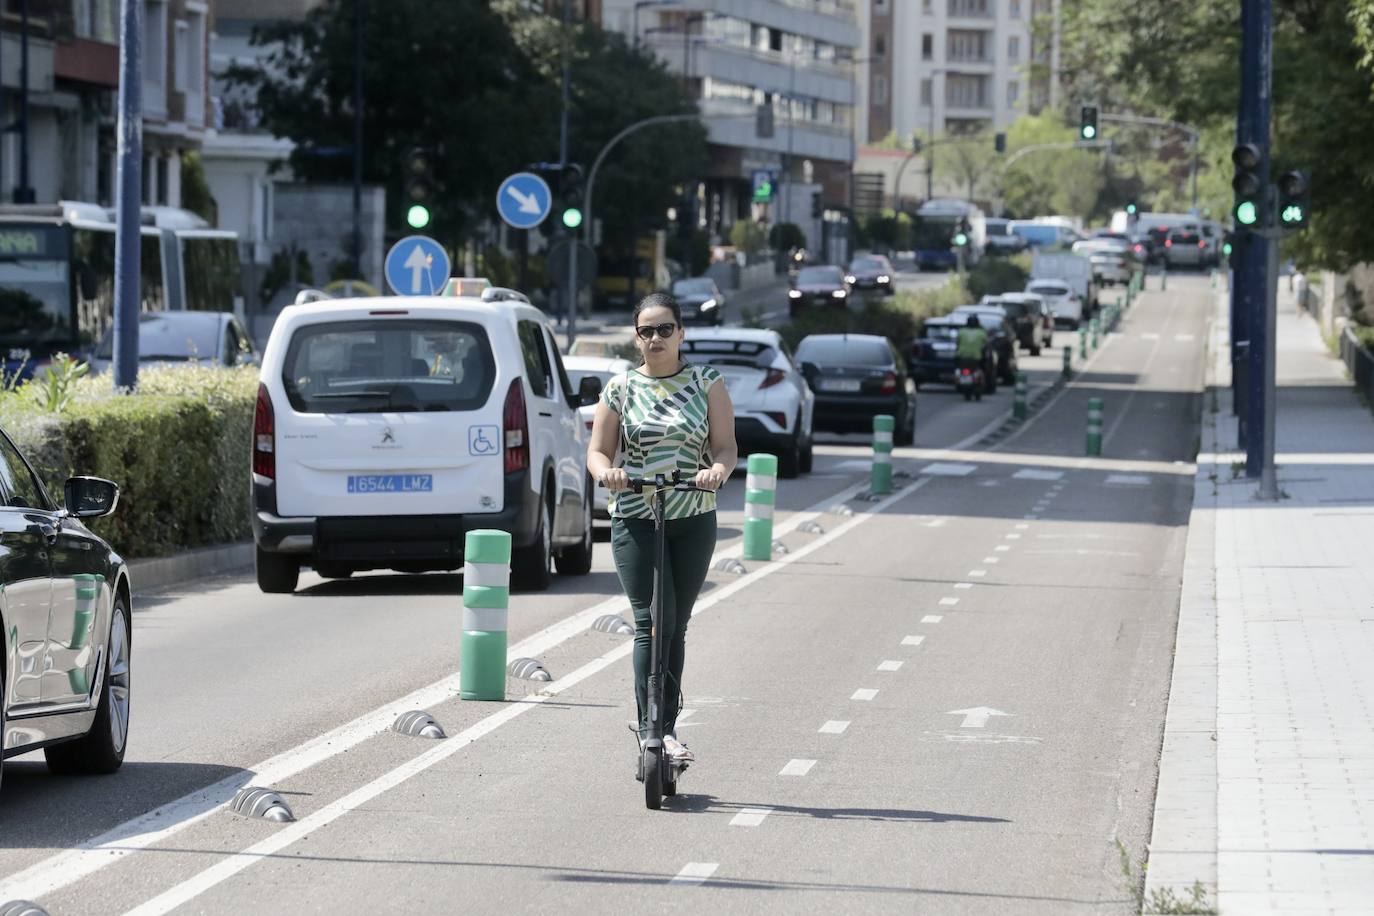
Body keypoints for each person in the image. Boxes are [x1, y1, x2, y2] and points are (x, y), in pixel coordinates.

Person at [587, 292, 738, 764]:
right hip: (635, 516)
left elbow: (726, 447)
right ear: (636, 337)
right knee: (651, 621)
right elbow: (597, 452)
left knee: (677, 623)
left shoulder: (706, 382)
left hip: (692, 516)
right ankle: (650, 728)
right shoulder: (620, 389)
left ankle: (669, 730)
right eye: (646, 331)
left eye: (664, 329)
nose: (655, 339)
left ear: (681, 334)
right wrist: (606, 473)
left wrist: (717, 472)